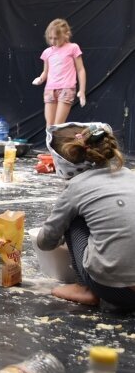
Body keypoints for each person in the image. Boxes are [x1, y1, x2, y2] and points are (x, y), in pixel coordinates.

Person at [36, 122, 135, 310]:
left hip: (117, 291)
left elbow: (45, 242)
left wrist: (59, 236)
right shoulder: (129, 175)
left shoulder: (77, 186)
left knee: (73, 219)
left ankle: (84, 288)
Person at [32, 18, 87, 127]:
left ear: (66, 35)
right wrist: (40, 79)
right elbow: (45, 71)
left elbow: (80, 70)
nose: (53, 41)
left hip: (66, 88)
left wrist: (82, 91)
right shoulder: (47, 52)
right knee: (49, 125)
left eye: (56, 38)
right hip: (50, 89)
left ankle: (56, 144)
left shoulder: (73, 48)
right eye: (50, 38)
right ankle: (50, 144)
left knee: (58, 125)